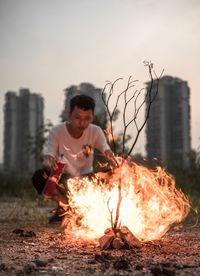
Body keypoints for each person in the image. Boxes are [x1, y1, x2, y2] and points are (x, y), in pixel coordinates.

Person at [32, 94, 116, 223]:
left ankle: (83, 210)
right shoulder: (57, 131)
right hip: (64, 179)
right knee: (40, 176)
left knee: (115, 174)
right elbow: (49, 154)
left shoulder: (95, 131)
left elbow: (106, 149)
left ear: (92, 117)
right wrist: (49, 161)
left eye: (87, 118)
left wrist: (114, 160)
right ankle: (65, 207)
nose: (82, 123)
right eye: (77, 117)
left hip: (87, 179)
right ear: (69, 114)